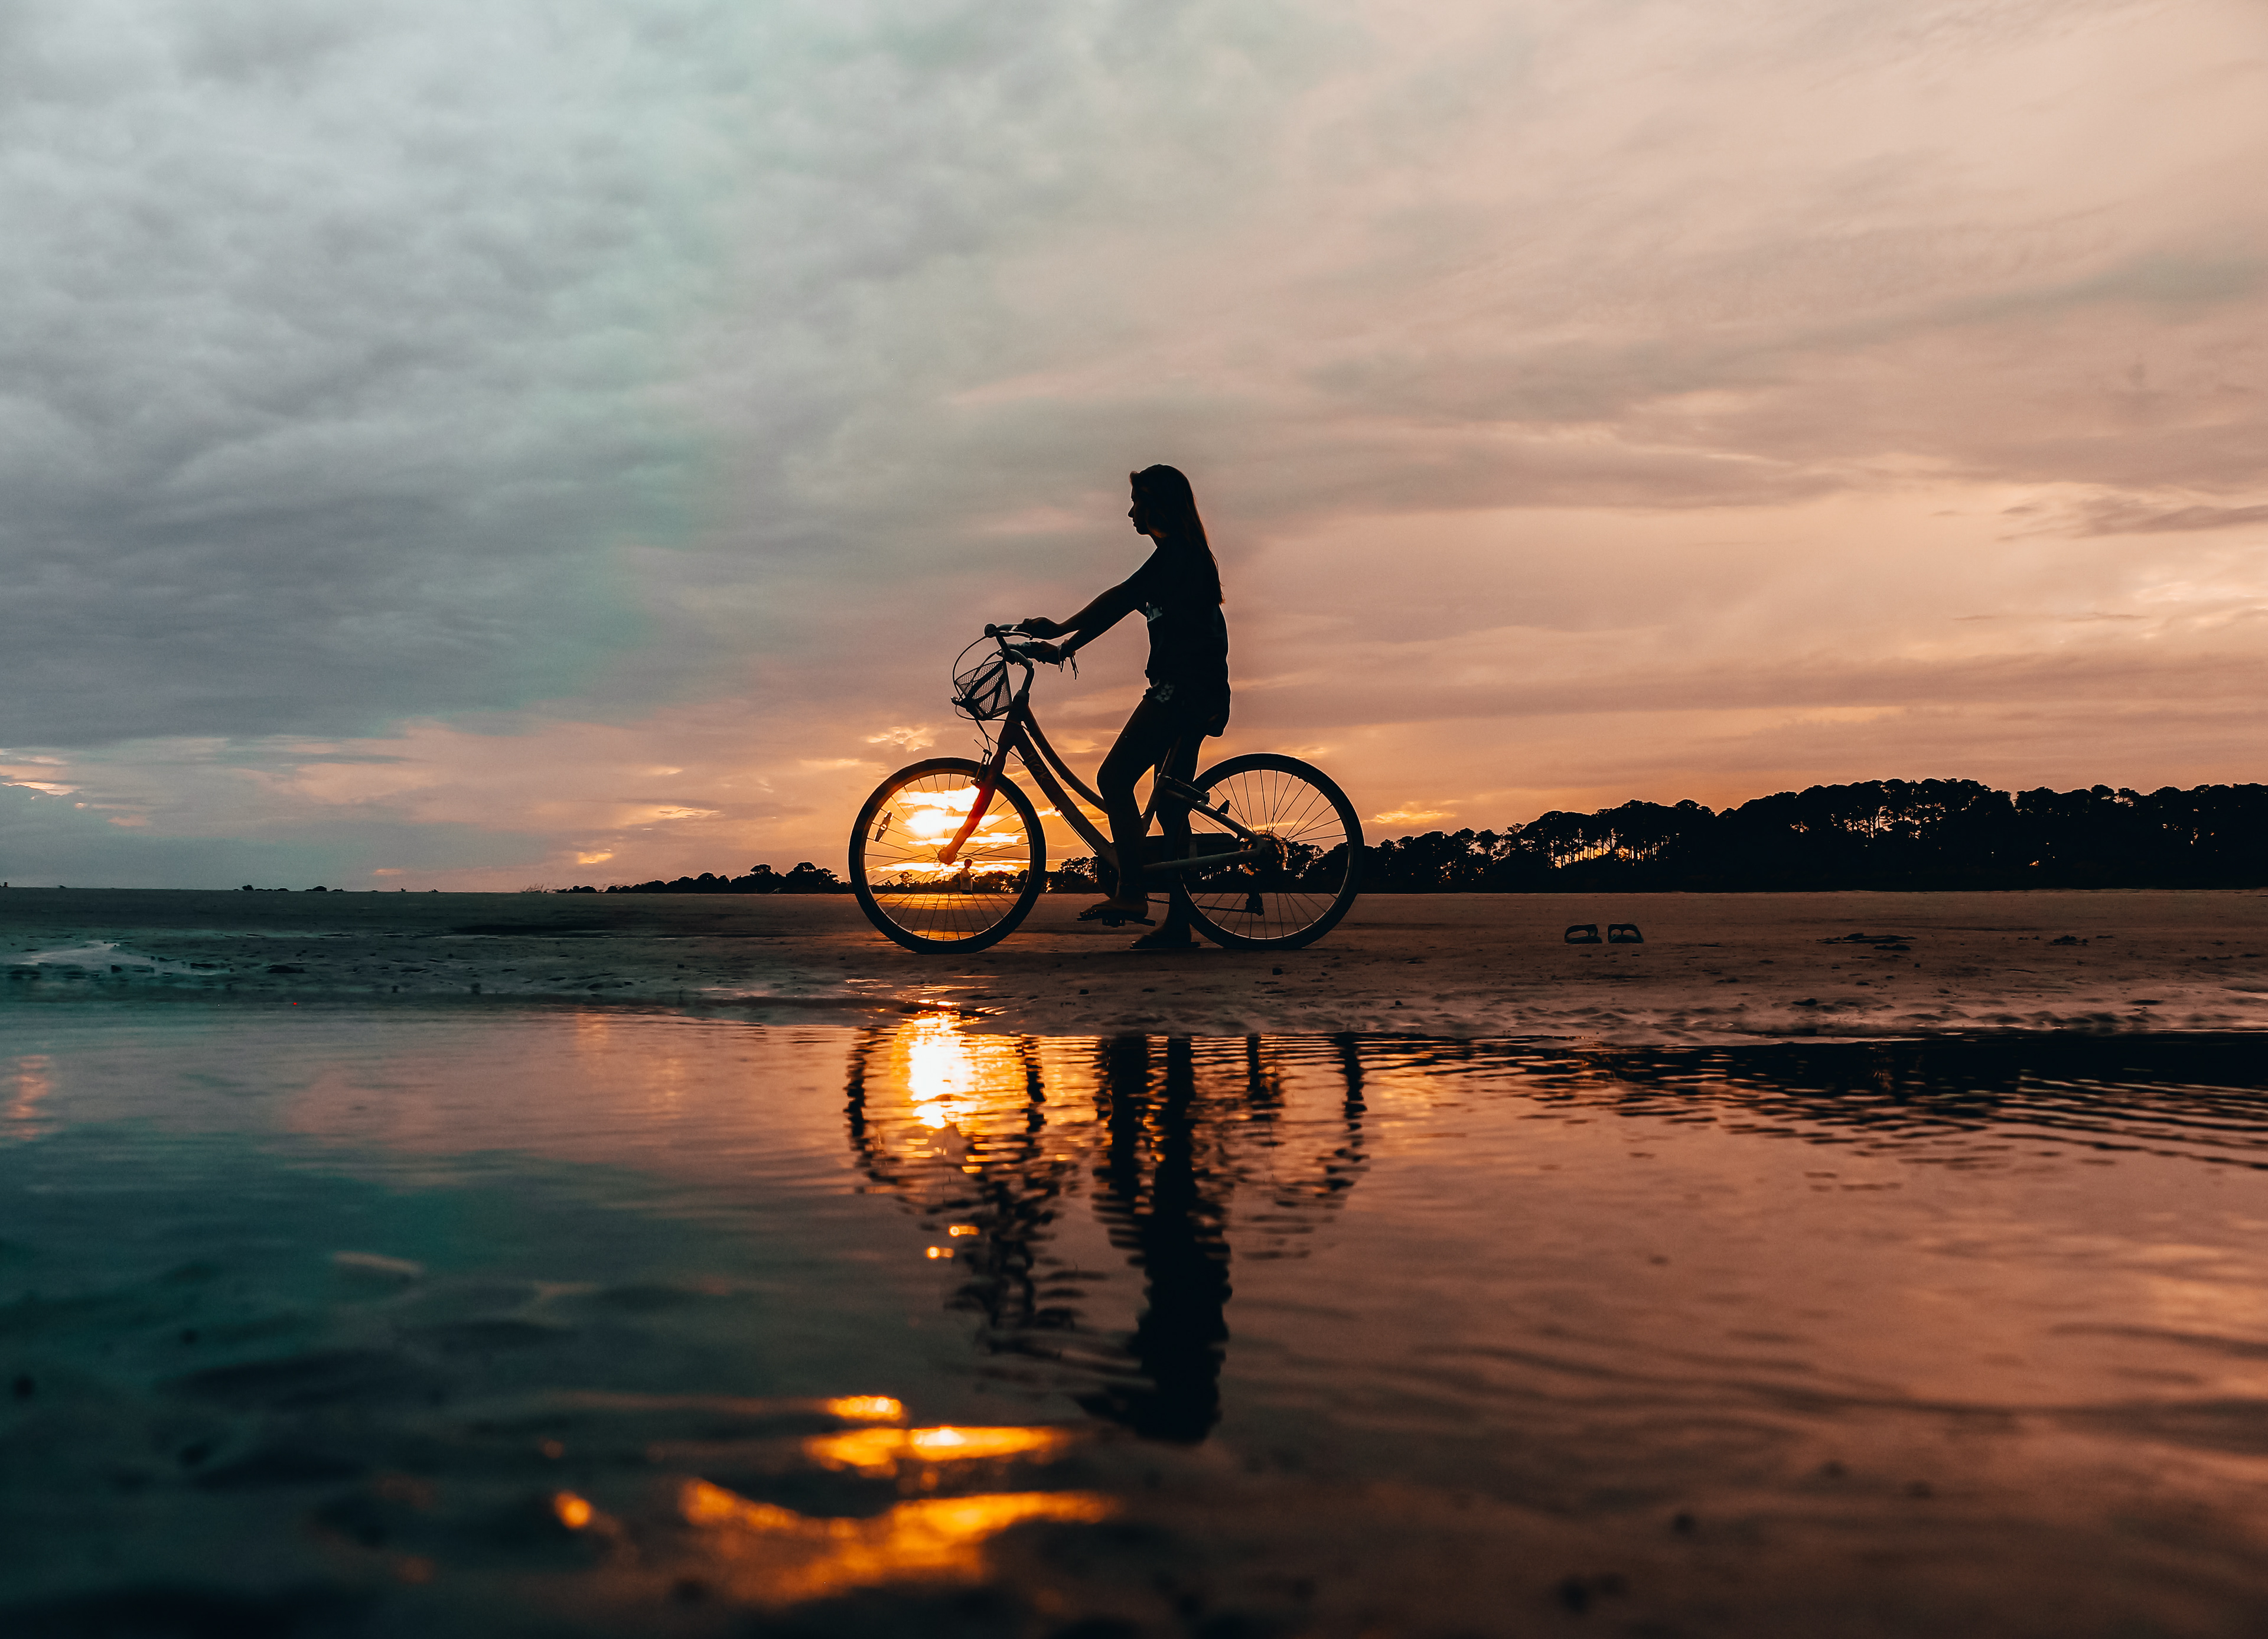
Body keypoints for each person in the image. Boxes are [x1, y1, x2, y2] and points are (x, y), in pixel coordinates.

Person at [1020, 465, 1229, 949]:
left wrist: (1057, 632)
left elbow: (1119, 598)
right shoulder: (1180, 556)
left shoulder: (1178, 555)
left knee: (1114, 778)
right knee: (1172, 810)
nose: (1130, 510)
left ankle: (1132, 890)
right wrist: (1067, 647)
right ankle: (1178, 925)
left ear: (1156, 505)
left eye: (1137, 501)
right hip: (1197, 692)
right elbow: (1122, 605)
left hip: (1182, 692)